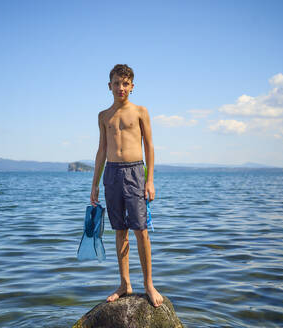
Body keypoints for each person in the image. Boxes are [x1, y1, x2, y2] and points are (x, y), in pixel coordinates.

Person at [90, 64, 163, 307]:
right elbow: (101, 151)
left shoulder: (140, 111)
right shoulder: (103, 116)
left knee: (140, 230)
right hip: (111, 174)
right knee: (120, 230)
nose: (121, 88)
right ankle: (124, 284)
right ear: (109, 85)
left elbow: (150, 147)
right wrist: (95, 185)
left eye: (125, 83)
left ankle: (149, 284)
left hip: (134, 171)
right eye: (116, 83)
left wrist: (150, 180)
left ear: (132, 86)